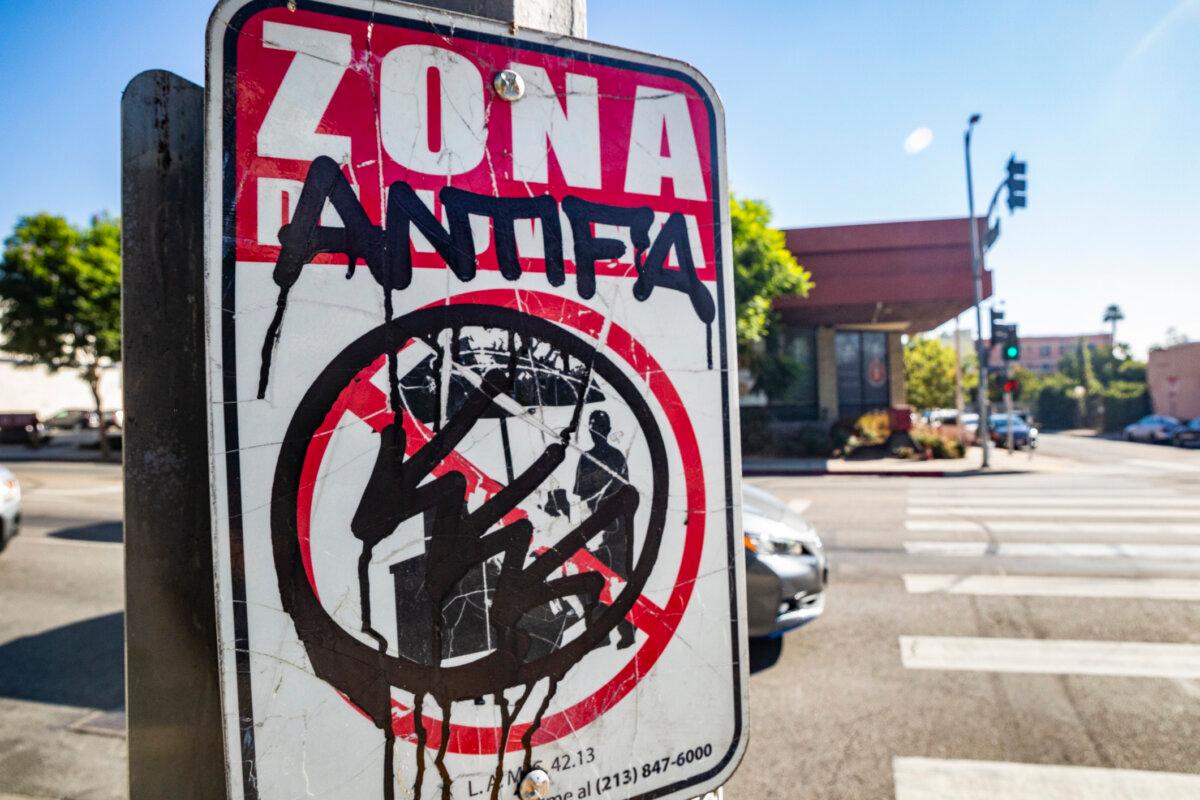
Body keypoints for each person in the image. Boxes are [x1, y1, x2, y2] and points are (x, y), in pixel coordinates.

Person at [573, 409, 636, 649]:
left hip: (616, 531)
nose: (595, 432)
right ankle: (600, 634)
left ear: (607, 430)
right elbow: (580, 497)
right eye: (592, 428)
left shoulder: (617, 458)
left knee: (618, 580)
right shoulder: (586, 459)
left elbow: (626, 495)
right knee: (593, 580)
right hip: (594, 529)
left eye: (598, 428)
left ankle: (627, 630)